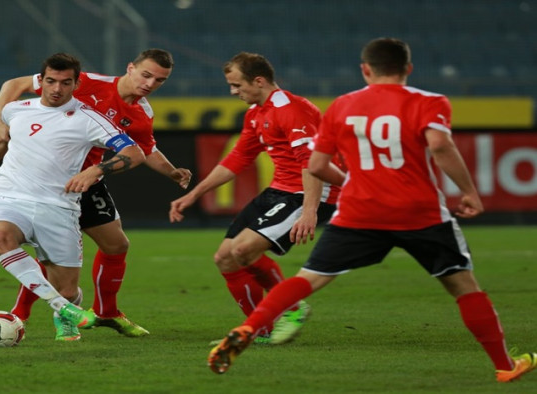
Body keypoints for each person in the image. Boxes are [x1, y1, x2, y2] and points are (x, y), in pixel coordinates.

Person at [207, 38, 537, 382]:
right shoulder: (430, 101)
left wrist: (348, 183)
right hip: (418, 211)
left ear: (365, 69)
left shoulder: (342, 106)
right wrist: (469, 191)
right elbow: (440, 145)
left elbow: (317, 165)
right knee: (463, 286)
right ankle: (503, 365)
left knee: (309, 279)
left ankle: (248, 328)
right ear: (408, 68)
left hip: (359, 210)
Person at [0, 49, 192, 338]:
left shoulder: (142, 113)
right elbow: (15, 84)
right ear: (130, 68)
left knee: (117, 245)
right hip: (47, 180)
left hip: (87, 181)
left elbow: (145, 150)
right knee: (50, 254)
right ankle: (22, 313)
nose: (150, 83)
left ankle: (107, 312)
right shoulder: (84, 81)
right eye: (146, 75)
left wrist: (172, 171)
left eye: (159, 80)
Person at [0, 53, 146, 342]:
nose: (56, 89)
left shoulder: (90, 120)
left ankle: (65, 309)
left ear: (76, 84)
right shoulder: (16, 109)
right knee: (0, 235)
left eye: (65, 83)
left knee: (68, 289)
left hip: (59, 208)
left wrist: (95, 171)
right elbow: (0, 143)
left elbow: (133, 152)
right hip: (11, 197)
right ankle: (61, 307)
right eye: (51, 81)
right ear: (41, 81)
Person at [169, 52, 340, 344]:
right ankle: (261, 329)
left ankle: (292, 308)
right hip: (279, 191)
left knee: (243, 250)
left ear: (259, 81)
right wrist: (195, 193)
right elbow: (237, 158)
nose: (233, 92)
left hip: (308, 192)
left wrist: (311, 211)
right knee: (225, 258)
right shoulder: (256, 113)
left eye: (237, 85)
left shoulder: (291, 109)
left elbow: (310, 162)